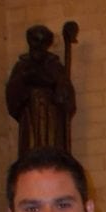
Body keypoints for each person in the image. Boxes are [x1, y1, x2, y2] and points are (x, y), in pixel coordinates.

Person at [6, 25, 76, 157]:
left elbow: (65, 91)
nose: (38, 45)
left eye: (42, 41)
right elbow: (12, 92)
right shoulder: (22, 65)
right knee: (30, 153)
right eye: (35, 40)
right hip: (30, 115)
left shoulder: (54, 65)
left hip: (51, 117)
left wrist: (61, 93)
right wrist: (25, 82)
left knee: (51, 153)